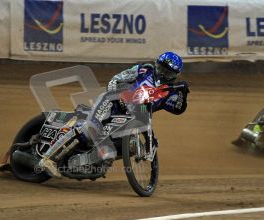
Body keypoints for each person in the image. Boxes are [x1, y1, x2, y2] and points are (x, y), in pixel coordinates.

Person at [39, 51, 190, 177]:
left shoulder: (170, 92)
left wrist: (183, 94)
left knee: (112, 151)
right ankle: (47, 159)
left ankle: (84, 163)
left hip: (135, 115)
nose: (163, 73)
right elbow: (116, 79)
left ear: (175, 75)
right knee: (90, 129)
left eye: (168, 72)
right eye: (161, 68)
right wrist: (118, 95)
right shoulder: (144, 69)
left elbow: (178, 109)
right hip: (112, 103)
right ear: (156, 64)